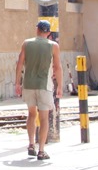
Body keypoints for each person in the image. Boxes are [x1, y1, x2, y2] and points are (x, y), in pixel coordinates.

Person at [15, 19, 63, 161]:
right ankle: (41, 150)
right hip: (45, 86)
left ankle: (31, 144)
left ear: (37, 30)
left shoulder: (27, 43)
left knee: (31, 115)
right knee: (43, 118)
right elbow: (57, 67)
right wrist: (60, 86)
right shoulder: (53, 46)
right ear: (48, 33)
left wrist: (17, 83)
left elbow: (19, 64)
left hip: (28, 85)